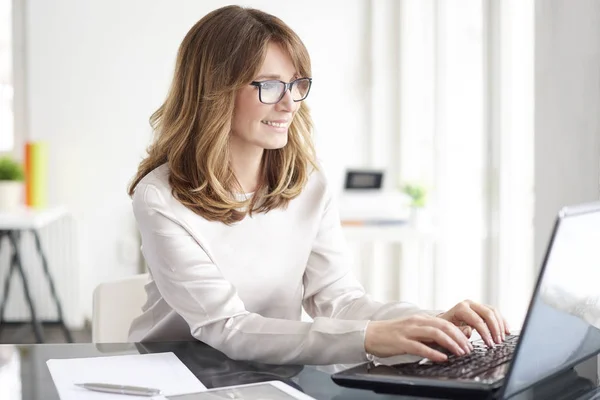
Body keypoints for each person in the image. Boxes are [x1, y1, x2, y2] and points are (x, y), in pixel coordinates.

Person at [127, 5, 510, 366]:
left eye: (296, 85)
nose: (290, 103)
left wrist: (430, 320)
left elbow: (339, 301)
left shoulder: (308, 184)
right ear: (214, 91)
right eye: (271, 86)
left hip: (268, 368)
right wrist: (369, 338)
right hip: (176, 370)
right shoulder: (160, 197)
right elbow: (226, 326)